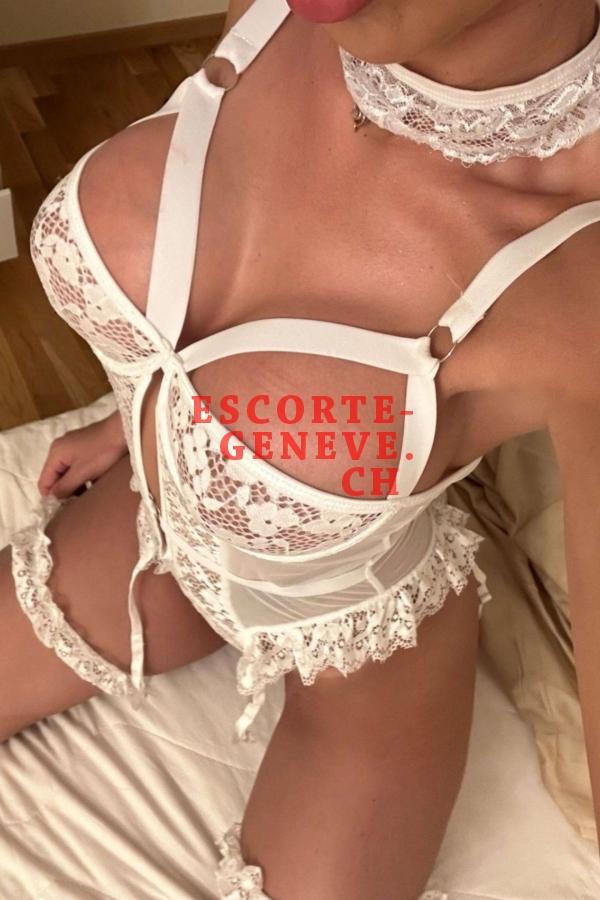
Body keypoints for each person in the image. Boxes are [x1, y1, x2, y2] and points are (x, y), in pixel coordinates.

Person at [3, 0, 600, 896]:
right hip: (158, 533)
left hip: (357, 679)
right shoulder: (286, 14)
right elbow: (231, 257)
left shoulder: (582, 270)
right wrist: (131, 411)